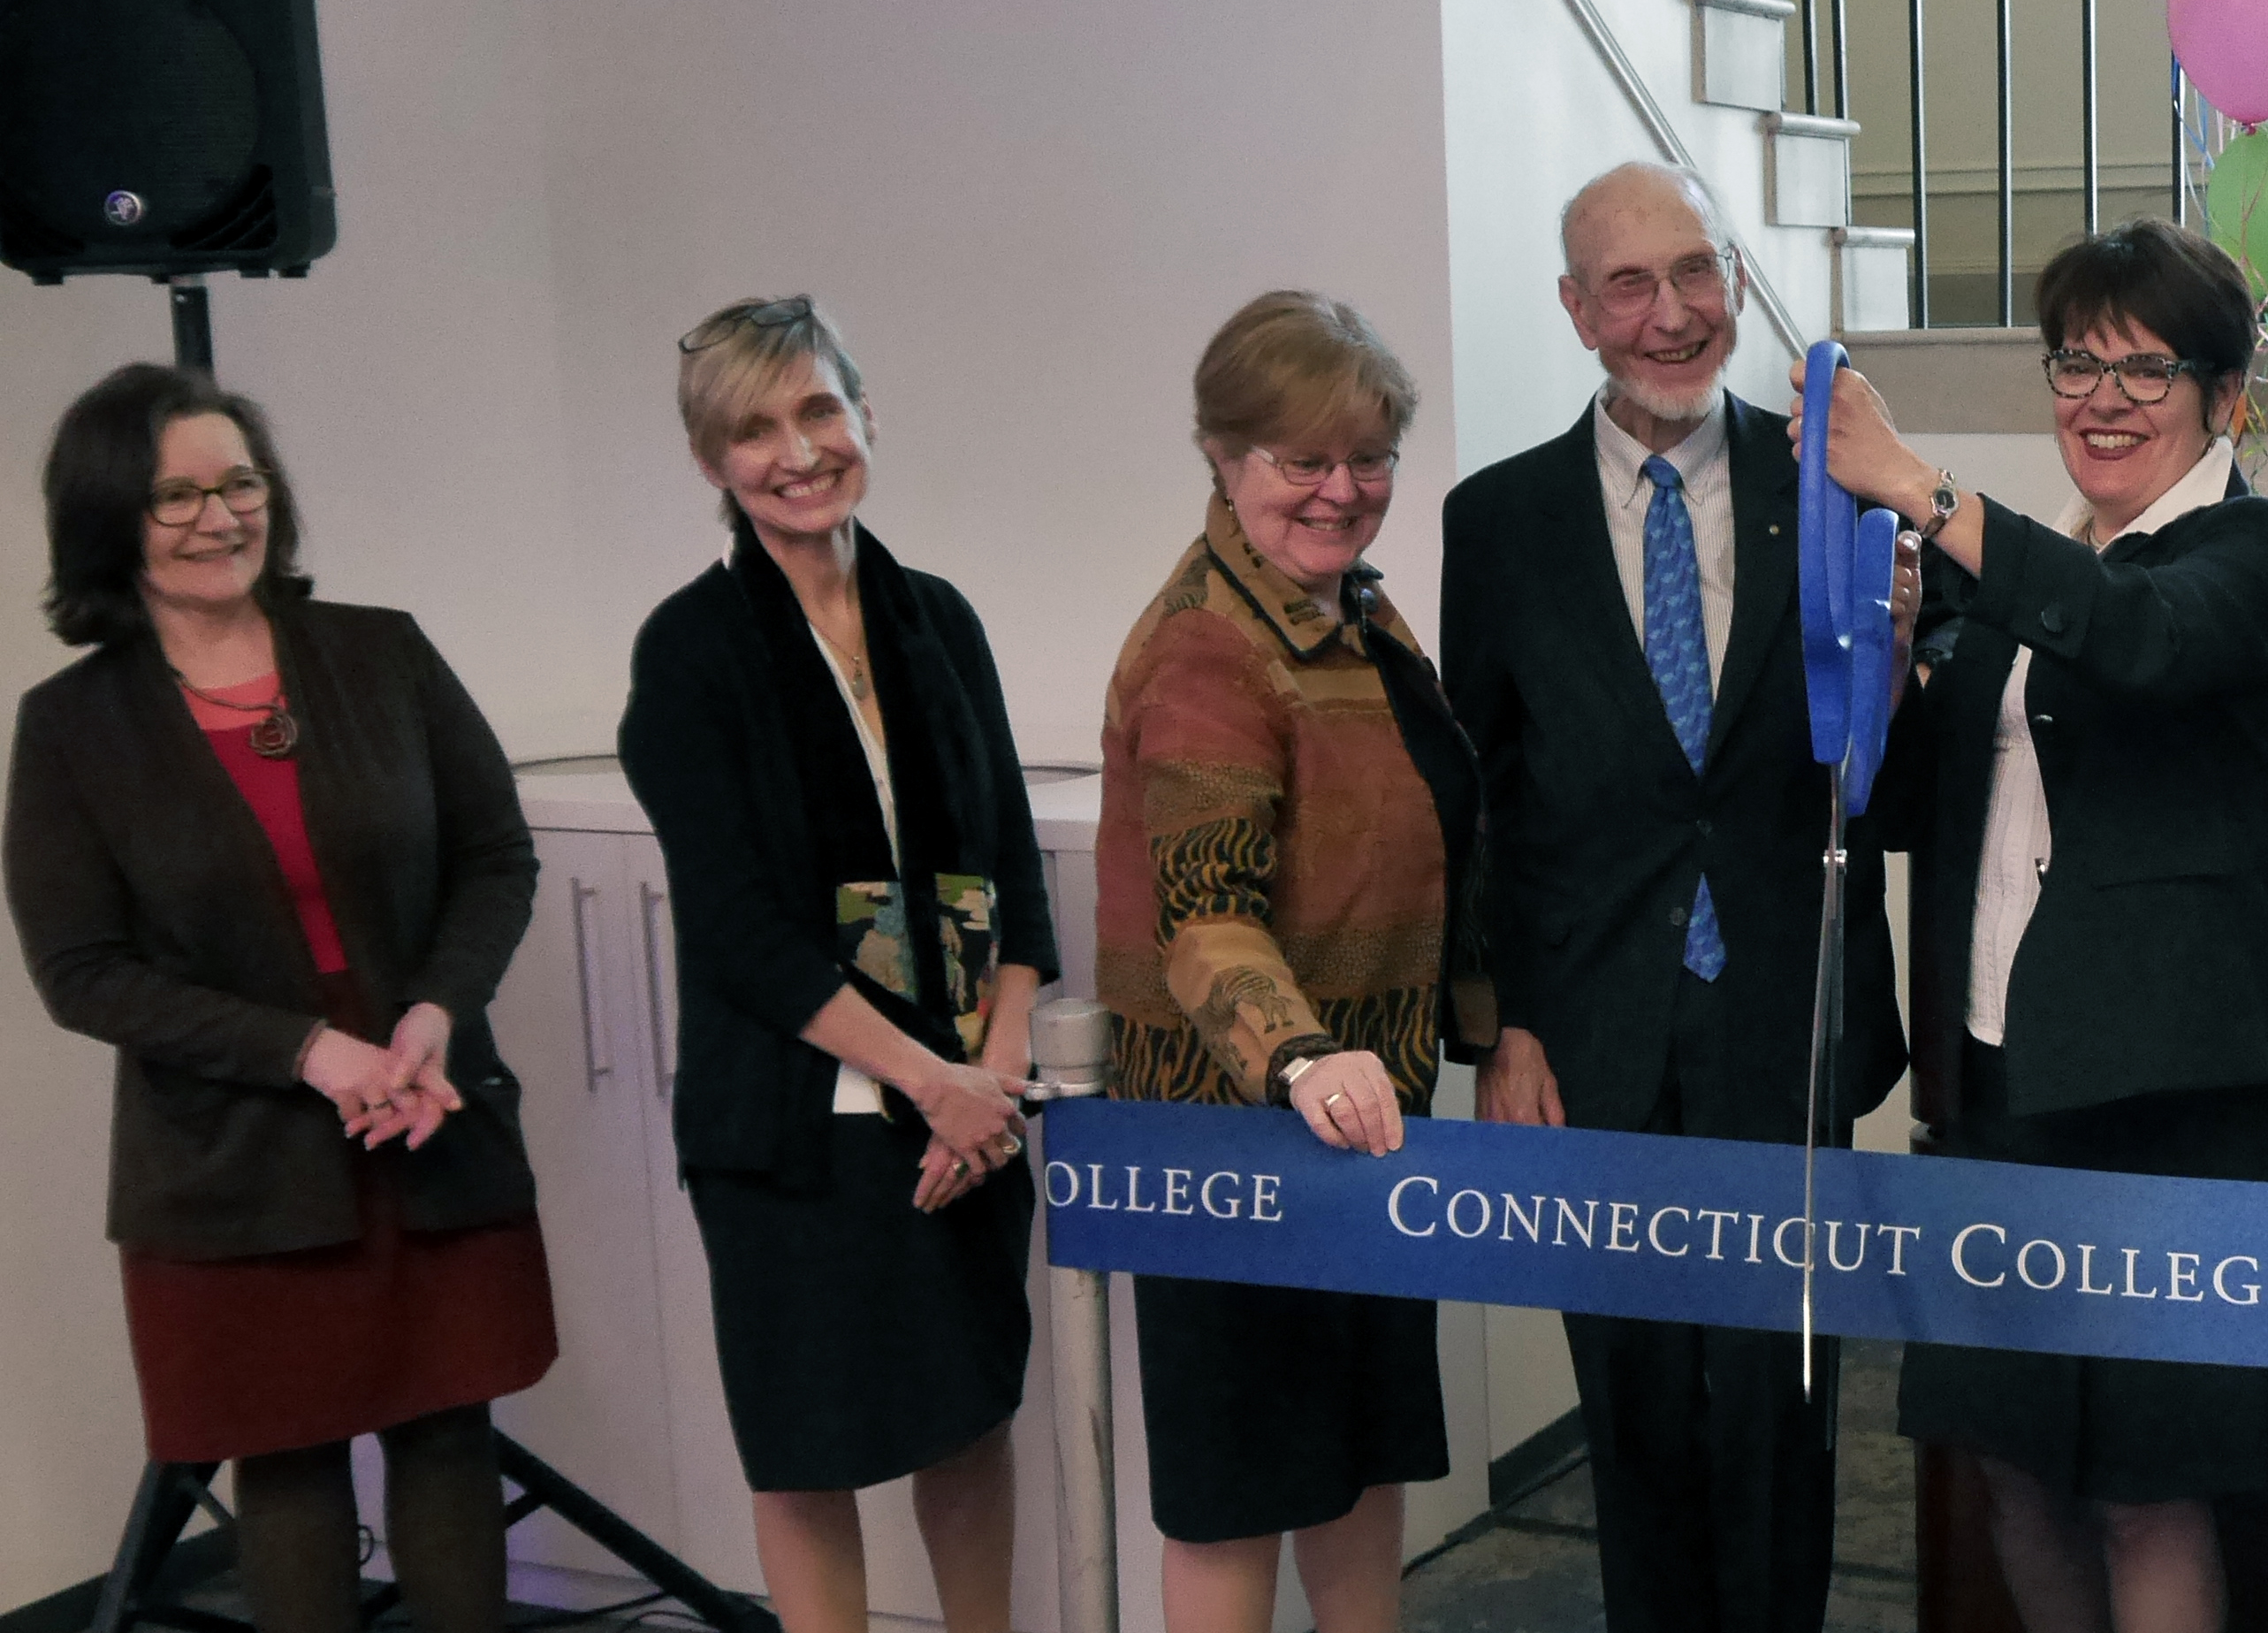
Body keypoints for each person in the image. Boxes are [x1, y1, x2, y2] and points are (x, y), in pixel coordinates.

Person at [1807, 215, 2268, 1633]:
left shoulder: (2255, 548)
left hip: (2168, 1100)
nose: (2102, 400)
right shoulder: (2016, 577)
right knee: (2017, 1470)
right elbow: (1907, 801)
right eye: (2075, 363)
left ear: (2223, 394)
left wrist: (1912, 479)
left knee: (2149, 1485)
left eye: (2145, 371)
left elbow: (2140, 638)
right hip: (2004, 1086)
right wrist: (1902, 662)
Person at [6, 363, 553, 1633]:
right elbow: (79, 969)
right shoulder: (70, 726)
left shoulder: (381, 649)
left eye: (239, 482)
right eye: (175, 495)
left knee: (448, 1433)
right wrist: (310, 1052)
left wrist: (430, 1019)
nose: (218, 516)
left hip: (426, 1108)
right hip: (230, 1152)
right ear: (110, 520)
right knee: (289, 1456)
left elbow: (495, 856)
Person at [1438, 161, 1906, 1633]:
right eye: (1628, 285)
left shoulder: (1831, 482)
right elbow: (1481, 802)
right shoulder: (1496, 521)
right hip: (1592, 1034)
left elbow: (1884, 756)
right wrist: (1500, 1020)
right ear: (1577, 312)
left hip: (1782, 1013)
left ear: (1733, 285)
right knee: (1632, 1404)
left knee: (1786, 1402)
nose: (1670, 314)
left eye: (1694, 274)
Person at [617, 297, 1050, 1633]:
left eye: (817, 408)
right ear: (712, 463)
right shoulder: (690, 650)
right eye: (754, 429)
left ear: (865, 415)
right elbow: (742, 932)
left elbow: (1014, 868)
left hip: (969, 1112)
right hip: (799, 1126)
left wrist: (1001, 1067)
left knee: (967, 1424)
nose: (796, 450)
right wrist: (935, 1082)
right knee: (809, 1457)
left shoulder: (939, 617)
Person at [1094, 290, 1482, 1633]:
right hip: (1231, 1146)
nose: (1339, 488)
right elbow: (1203, 913)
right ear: (1221, 454)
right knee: (1237, 1494)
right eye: (1298, 459)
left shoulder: (1354, 615)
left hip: (1360, 1134)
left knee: (1356, 1468)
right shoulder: (1212, 640)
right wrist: (1303, 1054)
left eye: (1367, 457)